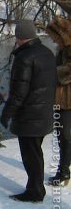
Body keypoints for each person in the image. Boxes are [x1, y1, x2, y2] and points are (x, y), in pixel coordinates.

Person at [0, 19, 57, 202]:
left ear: (19, 38)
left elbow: (19, 92)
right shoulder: (47, 53)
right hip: (44, 113)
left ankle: (35, 192)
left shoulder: (24, 58)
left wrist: (6, 113)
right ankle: (36, 188)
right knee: (36, 153)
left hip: (29, 116)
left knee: (30, 156)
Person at [45, 17, 71, 186]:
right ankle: (63, 170)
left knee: (66, 136)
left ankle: (63, 172)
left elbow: (68, 71)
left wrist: (50, 73)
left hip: (67, 101)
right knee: (63, 136)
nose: (53, 39)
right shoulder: (63, 49)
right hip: (62, 100)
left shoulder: (69, 49)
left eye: (54, 36)